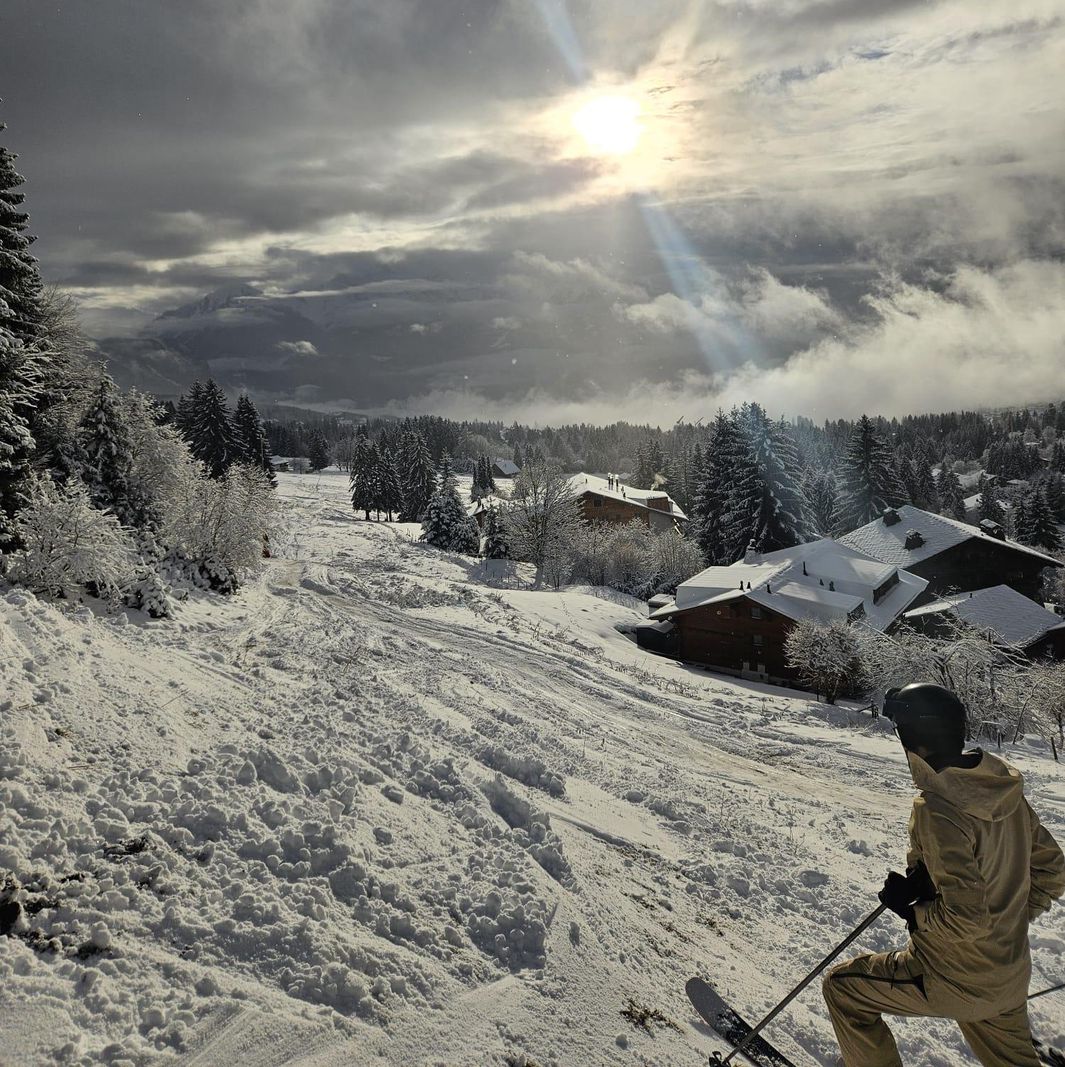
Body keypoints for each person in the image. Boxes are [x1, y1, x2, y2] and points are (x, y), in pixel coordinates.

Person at [823, 682, 1065, 1067]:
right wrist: (1006, 920)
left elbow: (965, 917)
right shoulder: (1001, 789)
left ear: (916, 742)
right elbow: (1053, 870)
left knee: (842, 990)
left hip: (954, 977)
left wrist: (913, 912)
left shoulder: (938, 809)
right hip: (1007, 977)